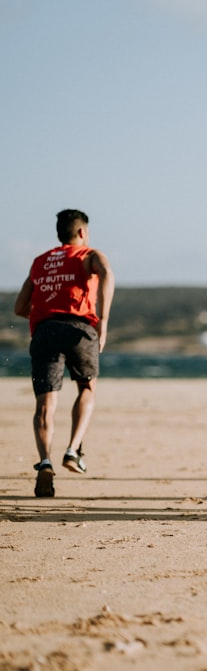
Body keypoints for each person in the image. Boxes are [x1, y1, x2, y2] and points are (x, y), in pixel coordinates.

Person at [14, 209, 115, 498]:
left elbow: (20, 308)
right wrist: (104, 320)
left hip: (45, 331)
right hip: (78, 328)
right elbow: (107, 272)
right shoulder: (89, 255)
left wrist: (47, 312)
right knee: (86, 388)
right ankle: (73, 450)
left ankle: (45, 461)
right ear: (82, 232)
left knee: (45, 403)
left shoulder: (40, 261)